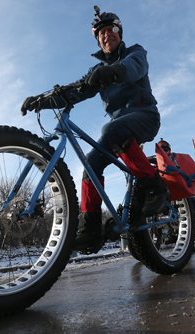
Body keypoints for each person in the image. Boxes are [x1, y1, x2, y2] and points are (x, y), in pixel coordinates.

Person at [21, 6, 166, 252]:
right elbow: (76, 92)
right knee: (91, 163)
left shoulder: (135, 53)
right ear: (98, 41)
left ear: (119, 33)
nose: (106, 35)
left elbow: (134, 68)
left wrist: (113, 71)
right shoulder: (96, 71)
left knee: (111, 129)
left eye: (110, 30)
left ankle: (154, 186)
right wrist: (42, 101)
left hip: (144, 116)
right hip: (119, 127)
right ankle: (90, 229)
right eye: (101, 34)